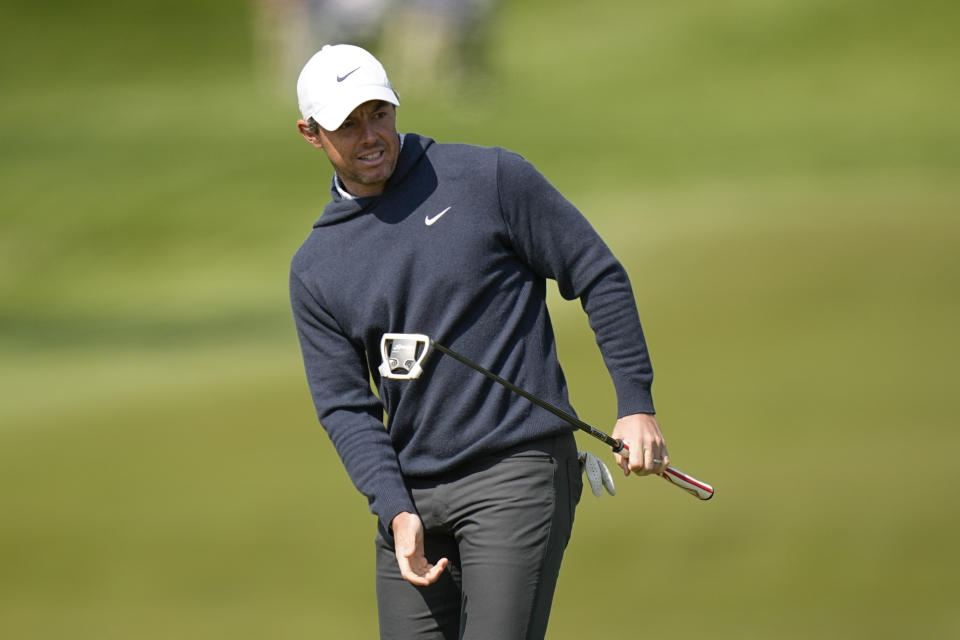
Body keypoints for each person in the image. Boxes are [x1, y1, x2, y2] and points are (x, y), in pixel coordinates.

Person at [289, 44, 669, 640]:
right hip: (413, 497)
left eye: (378, 113)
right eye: (348, 123)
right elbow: (345, 406)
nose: (370, 135)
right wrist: (394, 509)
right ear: (312, 134)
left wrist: (636, 403)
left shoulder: (486, 178)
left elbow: (596, 273)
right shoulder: (315, 268)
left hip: (515, 471)